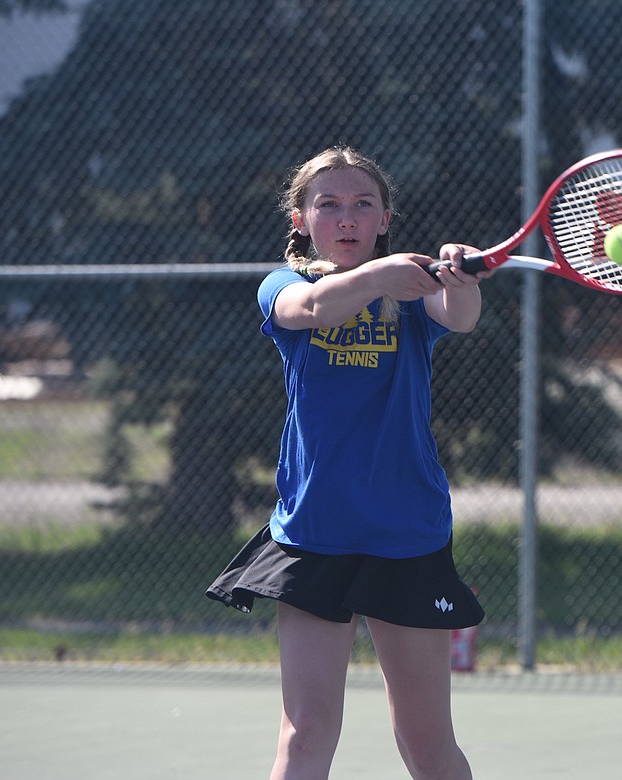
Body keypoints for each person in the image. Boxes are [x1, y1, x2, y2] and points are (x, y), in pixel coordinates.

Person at [206, 145, 489, 780]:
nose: (346, 217)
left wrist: (460, 282)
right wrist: (383, 275)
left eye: (363, 203)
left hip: (406, 533)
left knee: (426, 744)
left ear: (385, 217)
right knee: (305, 736)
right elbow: (310, 311)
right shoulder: (285, 286)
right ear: (301, 219)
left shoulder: (414, 293)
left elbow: (460, 318)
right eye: (328, 204)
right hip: (315, 533)